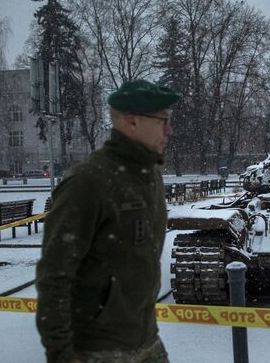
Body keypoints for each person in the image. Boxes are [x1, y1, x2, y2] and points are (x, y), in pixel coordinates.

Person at [36, 79, 180, 363]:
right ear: (132, 122)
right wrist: (61, 353)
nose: (169, 130)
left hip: (147, 342)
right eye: (163, 120)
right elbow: (54, 275)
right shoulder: (89, 182)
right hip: (98, 350)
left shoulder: (149, 175)